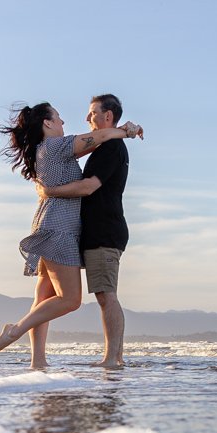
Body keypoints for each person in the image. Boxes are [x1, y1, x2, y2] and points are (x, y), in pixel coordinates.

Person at [0, 103, 143, 367]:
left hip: (47, 224)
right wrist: (126, 131)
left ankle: (38, 362)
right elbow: (99, 137)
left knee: (43, 298)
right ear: (47, 124)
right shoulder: (55, 146)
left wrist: (122, 131)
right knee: (70, 299)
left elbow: (96, 143)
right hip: (60, 228)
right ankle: (14, 330)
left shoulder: (49, 150)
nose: (64, 123)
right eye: (59, 118)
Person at [38, 93, 138, 368]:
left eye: (92, 113)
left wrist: (50, 191)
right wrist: (127, 129)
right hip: (95, 231)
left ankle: (112, 359)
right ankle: (113, 358)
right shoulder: (105, 144)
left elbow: (88, 186)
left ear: (107, 116)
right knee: (104, 296)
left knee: (106, 295)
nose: (86, 118)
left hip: (105, 231)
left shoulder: (111, 148)